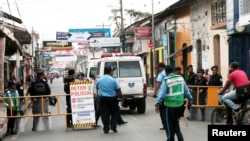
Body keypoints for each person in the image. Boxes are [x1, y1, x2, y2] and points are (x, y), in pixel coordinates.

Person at [155, 65, 193, 141]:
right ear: (173, 71)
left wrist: (157, 104)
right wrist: (191, 100)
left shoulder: (166, 80)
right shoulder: (181, 78)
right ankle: (180, 138)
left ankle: (170, 139)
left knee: (168, 125)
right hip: (180, 106)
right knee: (176, 122)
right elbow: (187, 92)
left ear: (166, 72)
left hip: (169, 106)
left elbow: (161, 94)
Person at [96, 66, 123, 134]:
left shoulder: (99, 80)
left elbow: (97, 88)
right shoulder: (113, 80)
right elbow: (119, 90)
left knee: (104, 114)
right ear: (110, 71)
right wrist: (122, 98)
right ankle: (113, 126)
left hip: (103, 99)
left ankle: (106, 128)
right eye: (112, 71)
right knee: (115, 112)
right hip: (112, 99)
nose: (113, 72)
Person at [153, 62, 167, 130]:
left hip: (162, 94)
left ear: (161, 67)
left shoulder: (161, 74)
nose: (157, 69)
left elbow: (158, 84)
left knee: (162, 111)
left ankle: (165, 125)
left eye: (158, 68)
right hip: (170, 95)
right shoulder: (168, 73)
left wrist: (155, 92)